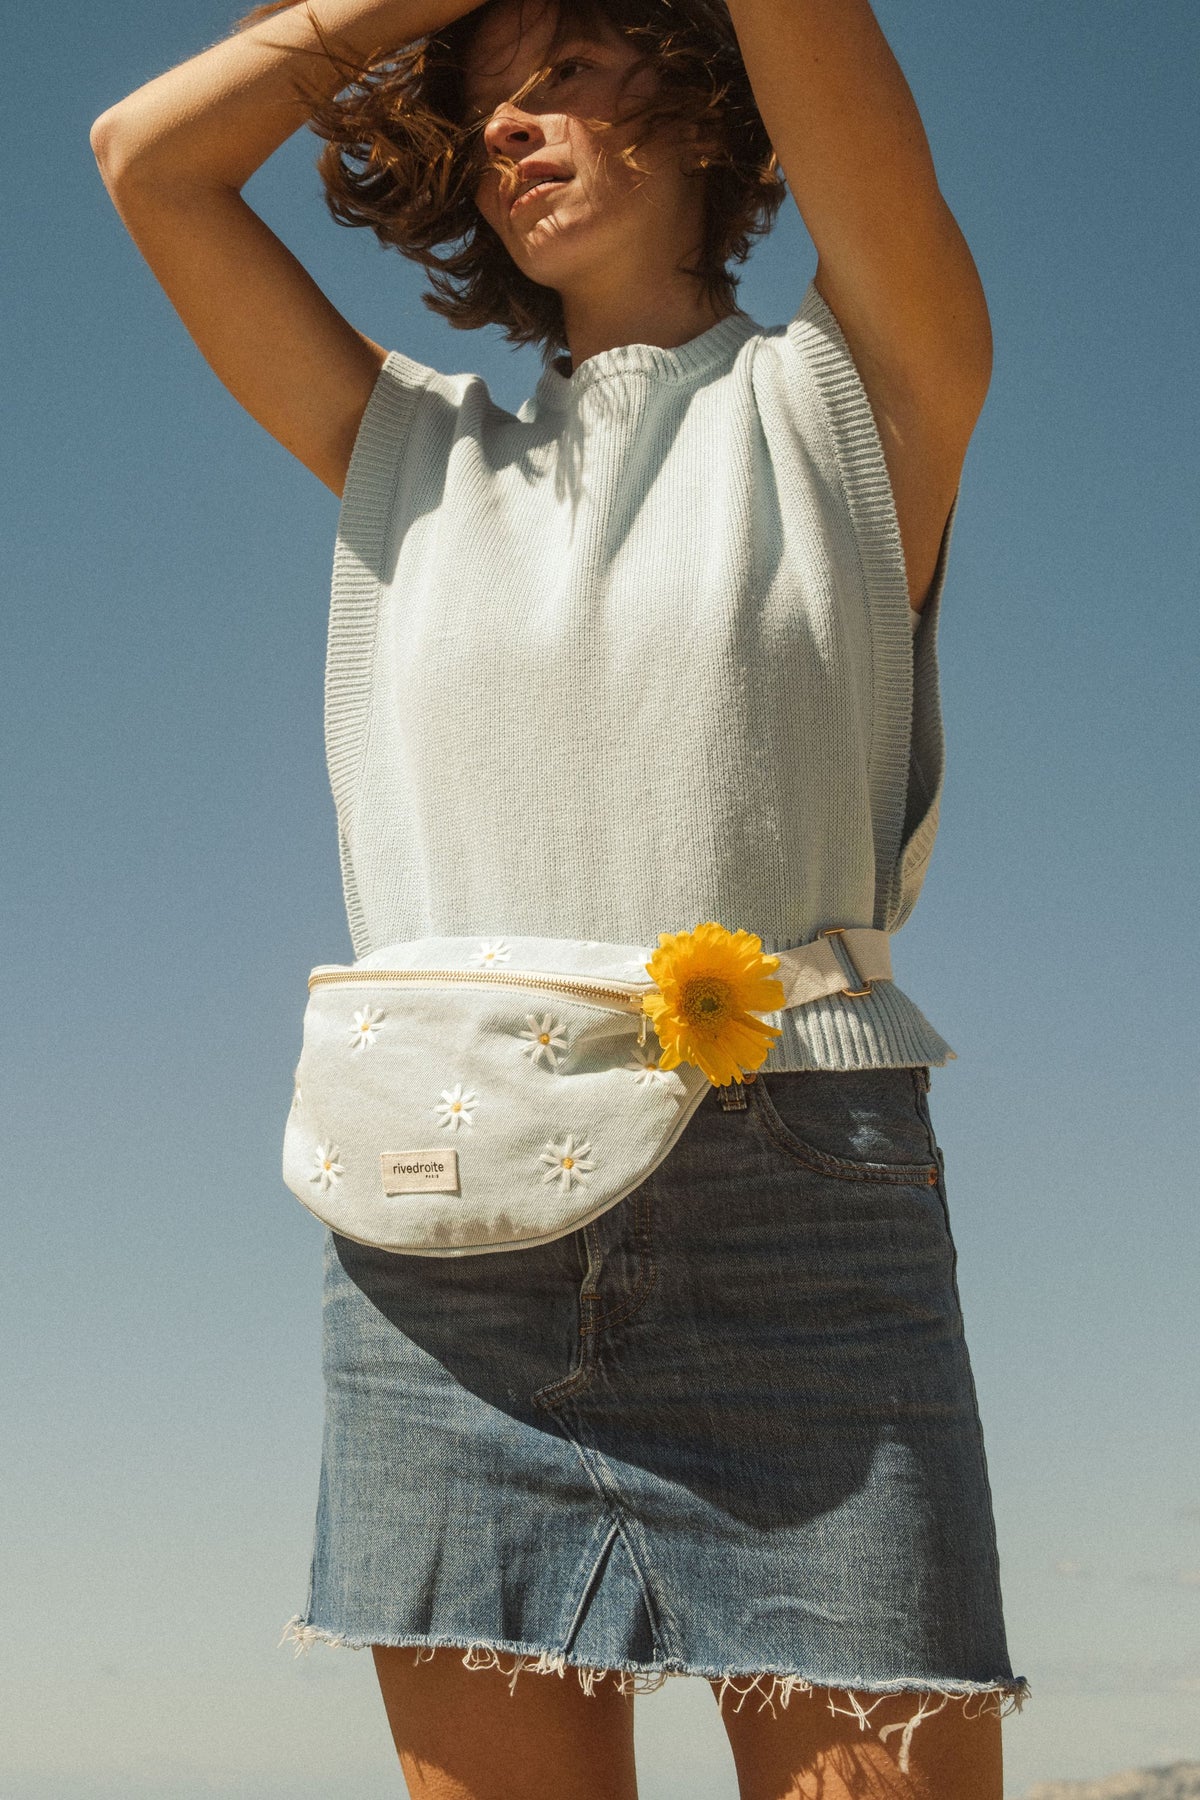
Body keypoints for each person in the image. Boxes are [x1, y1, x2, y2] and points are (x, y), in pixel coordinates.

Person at [91, 0, 1027, 1793]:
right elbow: (149, 159)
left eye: (573, 69)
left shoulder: (856, 394)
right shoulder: (411, 456)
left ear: (701, 113)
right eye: (485, 96)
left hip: (794, 1188)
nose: (516, 119)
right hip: (446, 1216)